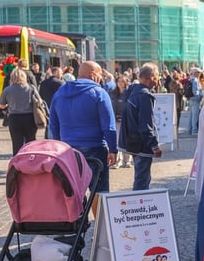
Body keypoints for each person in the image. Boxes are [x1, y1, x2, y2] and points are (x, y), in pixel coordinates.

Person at [49, 60, 117, 193]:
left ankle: (80, 208)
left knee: (73, 192)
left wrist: (58, 146)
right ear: (93, 75)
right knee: (99, 192)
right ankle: (97, 208)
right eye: (100, 75)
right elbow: (108, 126)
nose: (101, 79)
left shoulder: (59, 94)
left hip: (68, 149)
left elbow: (53, 125)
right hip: (95, 148)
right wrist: (113, 149)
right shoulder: (99, 93)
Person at [119, 62, 162, 191]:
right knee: (142, 180)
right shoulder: (144, 96)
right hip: (142, 144)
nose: (158, 81)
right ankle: (139, 202)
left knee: (140, 177)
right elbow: (146, 124)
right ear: (151, 77)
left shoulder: (131, 90)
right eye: (157, 77)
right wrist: (154, 145)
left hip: (131, 140)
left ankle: (138, 200)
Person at [0, 68, 39, 154]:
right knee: (30, 143)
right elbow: (40, 101)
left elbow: (1, 105)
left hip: (14, 118)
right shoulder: (31, 88)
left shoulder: (7, 90)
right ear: (24, 77)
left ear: (12, 78)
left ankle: (17, 161)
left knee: (16, 143)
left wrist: (8, 105)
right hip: (30, 118)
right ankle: (30, 159)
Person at [109, 74, 132, 168]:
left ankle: (127, 161)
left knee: (127, 140)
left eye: (123, 81)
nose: (121, 83)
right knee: (117, 140)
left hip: (127, 120)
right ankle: (118, 161)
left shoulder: (129, 93)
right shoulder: (113, 93)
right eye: (119, 81)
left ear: (126, 83)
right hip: (116, 119)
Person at [39, 66, 65, 137]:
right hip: (58, 108)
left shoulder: (44, 83)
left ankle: (47, 138)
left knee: (48, 125)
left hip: (46, 107)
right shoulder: (60, 83)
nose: (62, 74)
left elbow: (40, 94)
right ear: (56, 72)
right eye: (61, 73)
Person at [186, 67, 202, 135]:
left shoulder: (190, 79)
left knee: (191, 115)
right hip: (195, 99)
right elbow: (195, 91)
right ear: (195, 73)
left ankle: (189, 129)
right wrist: (199, 97)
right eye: (198, 72)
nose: (199, 74)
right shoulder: (195, 80)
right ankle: (194, 130)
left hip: (190, 98)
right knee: (195, 116)